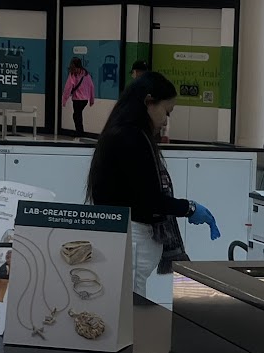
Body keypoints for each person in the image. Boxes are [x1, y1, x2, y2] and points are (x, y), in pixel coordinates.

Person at [84, 72, 219, 292]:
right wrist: (189, 208)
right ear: (149, 102)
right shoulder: (132, 138)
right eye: (166, 111)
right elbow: (151, 200)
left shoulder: (122, 133)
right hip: (131, 243)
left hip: (125, 239)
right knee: (129, 308)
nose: (166, 121)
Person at [62, 56, 95, 136]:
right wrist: (91, 100)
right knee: (78, 114)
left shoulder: (73, 75)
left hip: (77, 99)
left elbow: (68, 88)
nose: (74, 69)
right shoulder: (86, 74)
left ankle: (79, 132)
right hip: (85, 100)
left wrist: (64, 100)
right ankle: (80, 131)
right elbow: (91, 86)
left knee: (76, 115)